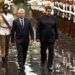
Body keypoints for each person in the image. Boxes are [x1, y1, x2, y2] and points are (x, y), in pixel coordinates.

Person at [36, 6, 59, 73]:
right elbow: (38, 29)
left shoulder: (54, 18)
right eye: (48, 11)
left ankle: (50, 65)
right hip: (43, 38)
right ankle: (43, 62)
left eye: (50, 11)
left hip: (51, 38)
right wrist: (37, 37)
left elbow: (56, 28)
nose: (49, 12)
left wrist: (57, 37)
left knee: (51, 52)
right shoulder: (41, 18)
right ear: (45, 11)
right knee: (43, 51)